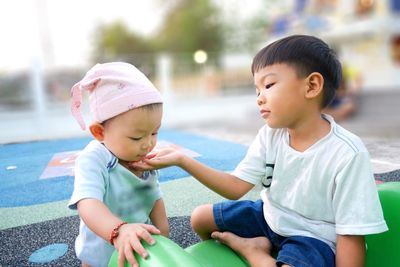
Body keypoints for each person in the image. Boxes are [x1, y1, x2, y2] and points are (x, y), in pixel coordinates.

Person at [131, 35, 388, 267]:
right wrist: (182, 160)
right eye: (257, 90)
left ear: (311, 86)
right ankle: (259, 245)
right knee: (200, 218)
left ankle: (254, 254)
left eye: (269, 85)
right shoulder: (271, 134)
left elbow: (351, 234)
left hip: (314, 236)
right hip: (268, 218)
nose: (259, 97)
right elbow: (235, 187)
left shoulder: (347, 153)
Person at [68, 62, 168, 267]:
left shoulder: (143, 157)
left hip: (139, 246)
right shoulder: (94, 159)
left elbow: (154, 196)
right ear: (99, 132)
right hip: (101, 252)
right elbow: (87, 203)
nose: (148, 143)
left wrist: (163, 234)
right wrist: (118, 230)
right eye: (136, 137)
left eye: (154, 132)